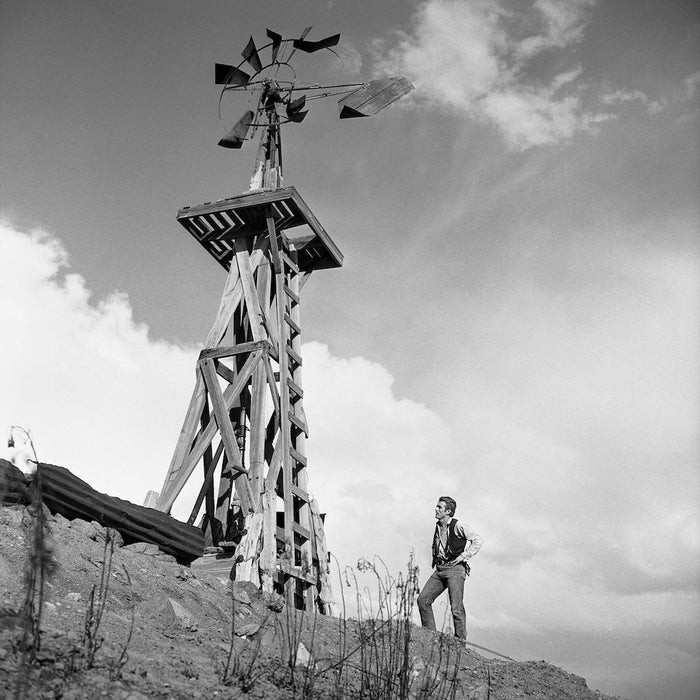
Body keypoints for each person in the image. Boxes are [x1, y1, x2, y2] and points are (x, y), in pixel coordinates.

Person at [417, 496, 483, 640]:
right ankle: (430, 637)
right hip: (440, 569)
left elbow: (478, 539)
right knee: (423, 600)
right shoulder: (438, 526)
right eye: (437, 506)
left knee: (456, 608)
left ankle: (460, 643)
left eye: (439, 507)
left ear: (448, 511)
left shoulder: (458, 526)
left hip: (455, 569)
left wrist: (464, 556)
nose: (436, 509)